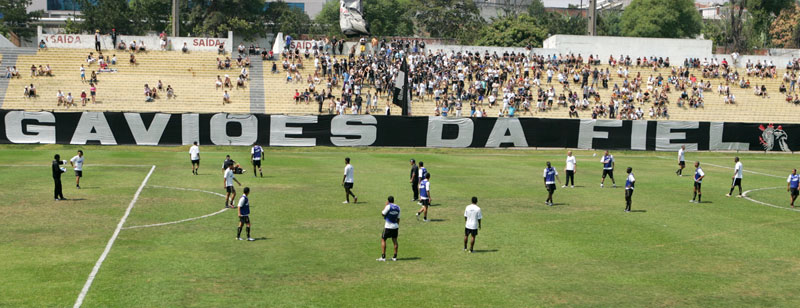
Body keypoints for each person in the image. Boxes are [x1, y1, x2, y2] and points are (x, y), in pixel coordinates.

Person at [378, 196, 400, 262]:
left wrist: (386, 205)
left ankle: (383, 257)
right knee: (395, 241)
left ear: (388, 201)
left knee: (383, 239)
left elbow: (382, 213)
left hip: (388, 226)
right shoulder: (398, 207)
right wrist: (397, 226)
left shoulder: (388, 206)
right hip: (395, 226)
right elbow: (398, 218)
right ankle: (395, 257)